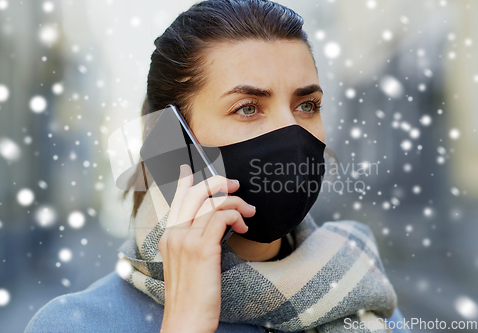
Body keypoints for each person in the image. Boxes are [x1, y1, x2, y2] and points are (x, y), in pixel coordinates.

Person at [24, 1, 411, 332]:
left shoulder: (366, 299)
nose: (291, 134)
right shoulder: (76, 324)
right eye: (247, 108)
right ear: (172, 142)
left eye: (306, 105)